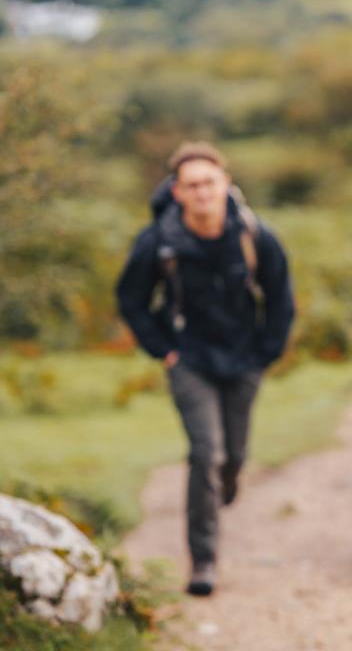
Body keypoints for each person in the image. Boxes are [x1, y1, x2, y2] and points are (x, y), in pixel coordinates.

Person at [116, 141, 295, 596]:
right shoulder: (158, 241)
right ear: (177, 192)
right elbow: (131, 299)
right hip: (188, 359)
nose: (201, 193)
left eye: (208, 183)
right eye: (191, 185)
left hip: (242, 360)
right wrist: (163, 349)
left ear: (225, 186)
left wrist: (265, 353)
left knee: (232, 457)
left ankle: (225, 483)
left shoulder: (255, 234)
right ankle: (203, 562)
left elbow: (280, 299)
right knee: (205, 454)